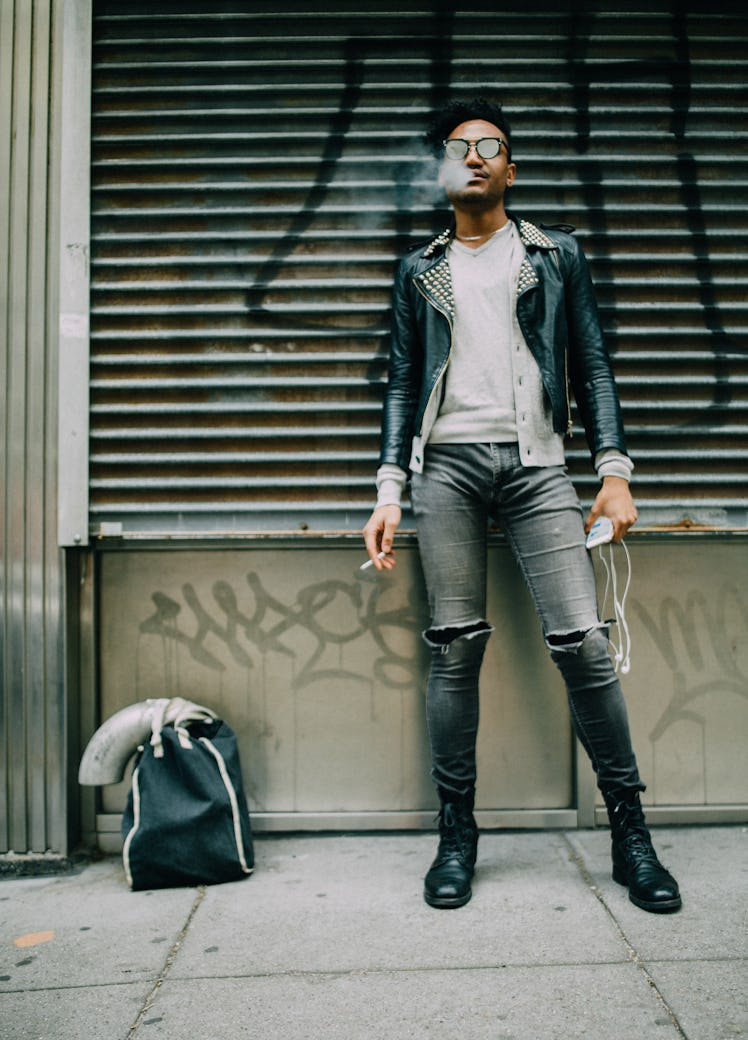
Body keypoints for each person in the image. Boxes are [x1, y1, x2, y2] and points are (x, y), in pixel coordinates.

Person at [362, 96, 681, 914]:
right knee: (454, 646)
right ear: (442, 169)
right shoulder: (417, 269)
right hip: (449, 472)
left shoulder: (555, 255)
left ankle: (630, 832)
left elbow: (594, 363)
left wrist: (614, 470)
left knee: (582, 643)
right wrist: (390, 489)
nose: (474, 157)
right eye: (459, 147)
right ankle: (457, 833)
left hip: (540, 467)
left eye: (490, 145)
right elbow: (401, 381)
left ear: (512, 166)